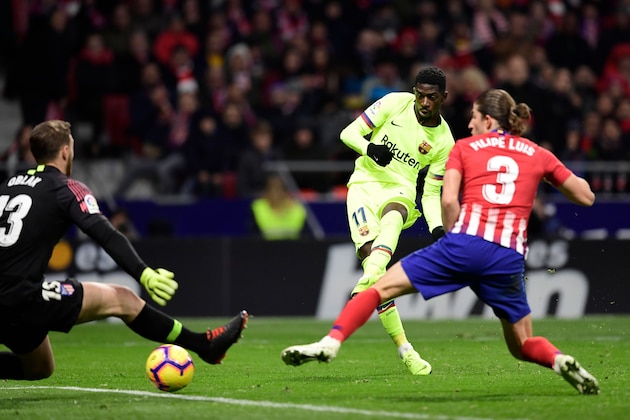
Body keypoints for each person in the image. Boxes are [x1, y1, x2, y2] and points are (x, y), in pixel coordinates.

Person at [281, 89, 600, 396]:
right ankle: (559, 359)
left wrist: (449, 237)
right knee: (522, 344)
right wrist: (548, 174)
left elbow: (448, 202)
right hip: (508, 258)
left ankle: (330, 343)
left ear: (488, 120)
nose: (470, 123)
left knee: (379, 287)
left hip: (464, 245)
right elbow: (586, 196)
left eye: (474, 117)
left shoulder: (463, 148)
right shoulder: (537, 154)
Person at [0, 120, 248, 381]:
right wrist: (144, 274)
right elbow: (106, 234)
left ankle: (205, 346)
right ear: (64, 152)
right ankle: (204, 345)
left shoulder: (7, 185)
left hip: (13, 295)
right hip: (21, 297)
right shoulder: (66, 187)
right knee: (123, 299)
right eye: (72, 147)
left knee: (39, 368)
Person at [336, 66, 455, 376]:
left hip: (399, 190)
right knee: (379, 278)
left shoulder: (444, 141)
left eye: (431, 97)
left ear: (443, 98)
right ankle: (406, 350)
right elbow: (348, 133)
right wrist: (370, 149)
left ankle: (366, 281)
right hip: (363, 185)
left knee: (395, 215)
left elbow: (430, 192)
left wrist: (437, 228)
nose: (424, 103)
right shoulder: (393, 103)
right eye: (420, 95)